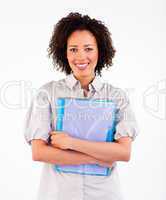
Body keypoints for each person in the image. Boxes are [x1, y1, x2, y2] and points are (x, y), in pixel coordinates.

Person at [24, 12, 138, 200]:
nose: (81, 56)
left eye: (88, 48)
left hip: (104, 194)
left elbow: (124, 152)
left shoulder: (117, 97)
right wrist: (99, 156)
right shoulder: (47, 94)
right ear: (64, 52)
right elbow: (39, 152)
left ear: (100, 51)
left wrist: (71, 143)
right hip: (58, 194)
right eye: (73, 49)